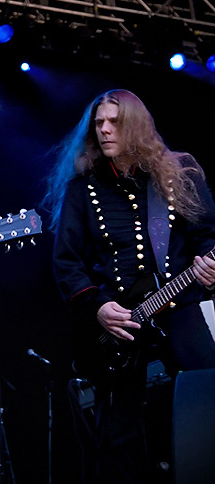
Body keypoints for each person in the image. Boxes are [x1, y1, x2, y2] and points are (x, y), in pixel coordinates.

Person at [44, 89, 215, 484]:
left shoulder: (179, 174)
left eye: (114, 122)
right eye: (98, 123)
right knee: (117, 436)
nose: (104, 130)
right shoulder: (83, 189)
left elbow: (207, 236)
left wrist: (209, 268)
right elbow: (67, 263)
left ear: (136, 126)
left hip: (178, 308)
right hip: (119, 324)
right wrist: (97, 308)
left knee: (205, 399)